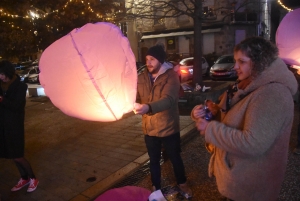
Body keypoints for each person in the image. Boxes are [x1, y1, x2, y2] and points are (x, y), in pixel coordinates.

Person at [191, 37, 297, 201]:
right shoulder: (247, 84)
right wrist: (212, 112)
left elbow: (253, 143)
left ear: (259, 62)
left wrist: (210, 129)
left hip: (251, 189)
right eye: (235, 61)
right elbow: (234, 115)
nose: (235, 67)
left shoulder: (273, 94)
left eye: (242, 61)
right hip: (239, 180)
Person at [134, 45, 192, 198]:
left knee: (174, 157)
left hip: (168, 127)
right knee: (153, 160)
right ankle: (156, 188)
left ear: (160, 60)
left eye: (152, 59)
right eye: (147, 59)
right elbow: (136, 97)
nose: (148, 63)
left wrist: (148, 107)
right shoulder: (141, 77)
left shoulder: (171, 76)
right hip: (149, 128)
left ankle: (182, 183)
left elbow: (169, 100)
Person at [0, 60, 39, 192]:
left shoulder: (20, 86)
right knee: (11, 155)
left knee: (17, 155)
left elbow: (17, 106)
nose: (1, 77)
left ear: (9, 72)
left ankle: (33, 178)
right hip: (3, 125)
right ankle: (24, 178)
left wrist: (2, 100)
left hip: (15, 126)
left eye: (2, 74)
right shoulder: (1, 86)